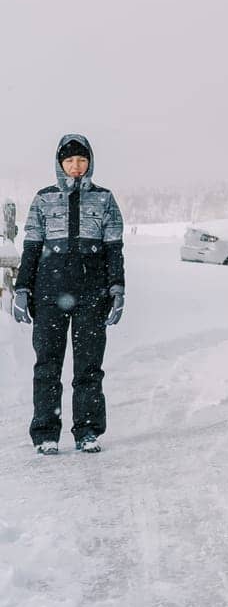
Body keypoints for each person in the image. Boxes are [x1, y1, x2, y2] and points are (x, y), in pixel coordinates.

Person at [12, 133, 125, 454]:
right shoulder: (43, 199)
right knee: (47, 365)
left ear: (89, 162)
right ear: (60, 164)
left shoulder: (104, 199)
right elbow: (31, 248)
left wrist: (117, 288)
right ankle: (46, 433)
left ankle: (87, 431)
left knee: (89, 367)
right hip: (49, 292)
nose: (76, 166)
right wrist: (22, 288)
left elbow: (114, 249)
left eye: (81, 160)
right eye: (69, 161)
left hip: (92, 293)